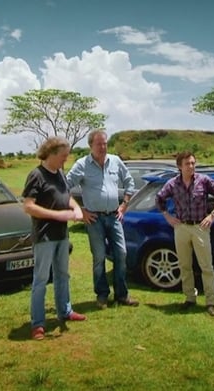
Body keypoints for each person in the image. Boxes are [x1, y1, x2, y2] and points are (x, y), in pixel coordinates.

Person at [22, 136, 86, 341]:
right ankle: (38, 324)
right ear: (50, 153)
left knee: (62, 276)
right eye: (63, 156)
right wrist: (58, 215)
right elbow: (28, 206)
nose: (65, 160)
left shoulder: (59, 174)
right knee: (41, 280)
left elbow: (66, 196)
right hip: (45, 236)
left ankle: (65, 311)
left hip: (61, 235)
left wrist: (75, 208)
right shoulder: (36, 175)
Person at [66, 129, 139, 309]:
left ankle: (122, 295)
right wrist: (80, 210)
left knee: (121, 254)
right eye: (99, 144)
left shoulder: (115, 161)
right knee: (99, 257)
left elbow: (129, 182)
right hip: (94, 219)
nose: (103, 147)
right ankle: (102, 295)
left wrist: (124, 205)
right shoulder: (82, 165)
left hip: (114, 216)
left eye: (105, 143)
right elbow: (64, 187)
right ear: (91, 145)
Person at [155, 151, 214, 317]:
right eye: (187, 164)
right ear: (180, 166)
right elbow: (159, 199)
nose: (191, 166)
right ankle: (189, 298)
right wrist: (167, 216)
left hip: (200, 227)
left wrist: (212, 215)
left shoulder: (204, 180)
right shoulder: (173, 184)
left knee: (206, 266)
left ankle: (210, 302)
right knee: (184, 266)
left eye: (193, 163)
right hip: (181, 228)